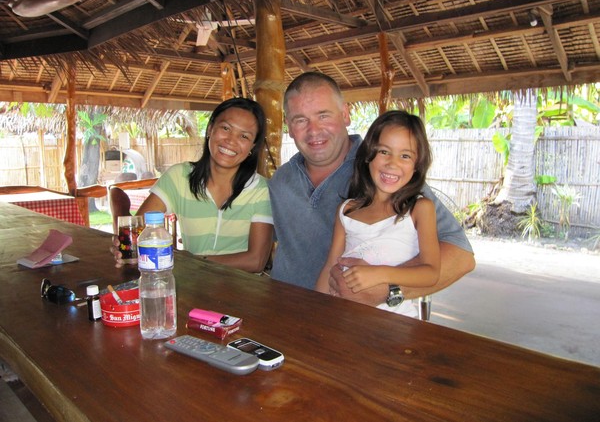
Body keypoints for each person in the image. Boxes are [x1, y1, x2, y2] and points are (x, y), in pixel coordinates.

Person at [268, 72, 475, 307]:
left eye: (323, 115)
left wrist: (386, 290)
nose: (314, 130)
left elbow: (461, 256)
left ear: (345, 114)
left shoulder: (382, 171)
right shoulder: (280, 182)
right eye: (300, 120)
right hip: (286, 316)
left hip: (364, 324)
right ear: (288, 125)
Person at [111, 97, 273, 273]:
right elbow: (140, 230)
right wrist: (126, 245)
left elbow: (256, 261)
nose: (231, 140)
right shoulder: (179, 177)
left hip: (244, 291)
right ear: (210, 128)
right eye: (226, 128)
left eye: (244, 136)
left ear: (252, 145)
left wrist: (193, 262)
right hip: (193, 287)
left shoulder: (260, 190)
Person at [315, 111, 440, 317]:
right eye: (384, 152)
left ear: (417, 165)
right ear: (368, 156)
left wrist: (379, 274)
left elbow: (431, 273)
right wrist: (317, 310)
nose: (392, 163)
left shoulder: (419, 209)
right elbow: (331, 265)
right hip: (343, 318)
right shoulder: (347, 210)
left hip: (394, 322)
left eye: (405, 156)